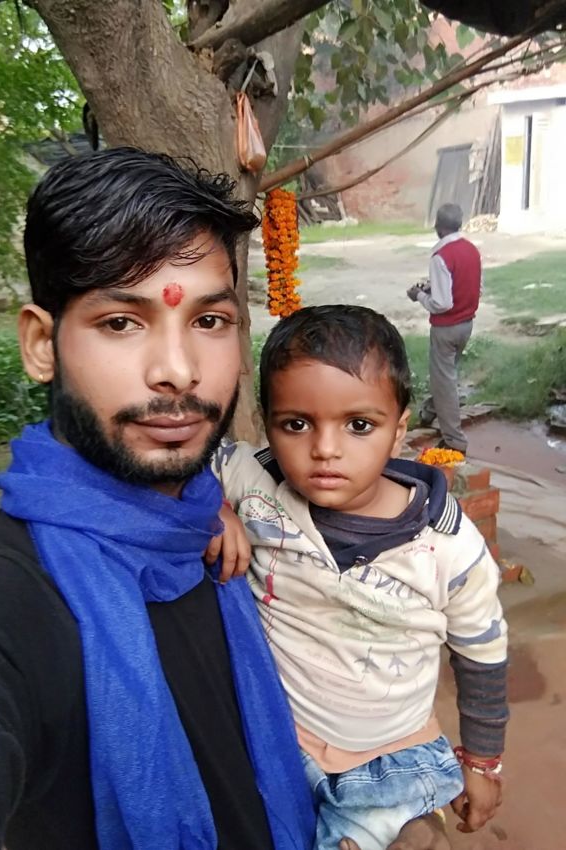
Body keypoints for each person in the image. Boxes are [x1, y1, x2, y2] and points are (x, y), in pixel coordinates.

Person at [0, 149, 451, 850]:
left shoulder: (233, 529)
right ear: (42, 344)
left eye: (209, 322)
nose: (177, 371)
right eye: (122, 322)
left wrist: (404, 811)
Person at [213, 305, 508, 850]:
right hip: (275, 737)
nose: (325, 449)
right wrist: (208, 507)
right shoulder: (254, 482)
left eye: (358, 426)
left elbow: (482, 657)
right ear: (267, 422)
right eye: (296, 424)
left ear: (398, 431)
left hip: (390, 758)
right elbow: (192, 459)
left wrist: (482, 762)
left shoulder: (446, 546)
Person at [406, 203, 482, 454]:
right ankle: (430, 411)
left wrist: (419, 295)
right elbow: (472, 286)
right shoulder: (471, 250)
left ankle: (454, 440)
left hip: (447, 328)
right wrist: (433, 288)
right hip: (466, 324)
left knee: (445, 382)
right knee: (445, 376)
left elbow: (442, 303)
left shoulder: (441, 256)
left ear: (438, 227)